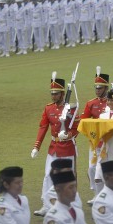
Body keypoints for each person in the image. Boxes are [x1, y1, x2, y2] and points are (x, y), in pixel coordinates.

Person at [31, 73, 80, 216]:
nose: (53, 96)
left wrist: (69, 135)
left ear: (62, 93)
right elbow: (43, 127)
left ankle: (68, 204)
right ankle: (46, 205)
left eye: (56, 94)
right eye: (52, 93)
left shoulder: (70, 108)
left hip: (67, 148)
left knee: (67, 177)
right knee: (47, 176)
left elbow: (77, 127)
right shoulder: (48, 108)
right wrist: (36, 146)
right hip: (53, 148)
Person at [80, 69, 109, 204]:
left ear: (106, 88)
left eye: (100, 88)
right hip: (94, 142)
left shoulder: (111, 102)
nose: (97, 90)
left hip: (108, 142)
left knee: (103, 169)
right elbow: (83, 120)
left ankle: (102, 195)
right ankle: (96, 193)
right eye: (96, 88)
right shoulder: (91, 103)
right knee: (92, 168)